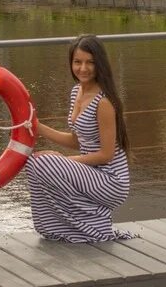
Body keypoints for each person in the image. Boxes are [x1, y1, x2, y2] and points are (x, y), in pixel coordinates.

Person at [27, 35, 135, 243]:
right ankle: (59, 228)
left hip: (111, 180)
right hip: (91, 173)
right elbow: (78, 141)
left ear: (99, 64)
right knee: (34, 162)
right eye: (78, 62)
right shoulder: (77, 91)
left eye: (90, 62)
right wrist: (38, 127)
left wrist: (62, 160)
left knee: (46, 163)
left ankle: (93, 227)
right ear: (71, 63)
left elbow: (106, 154)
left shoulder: (104, 101)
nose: (83, 68)